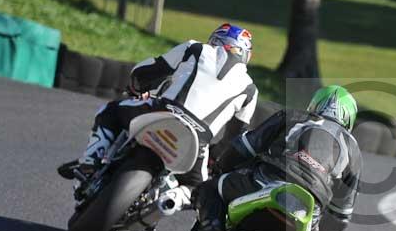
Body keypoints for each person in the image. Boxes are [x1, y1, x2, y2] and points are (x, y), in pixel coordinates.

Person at [177, 85, 362, 231]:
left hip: (265, 182)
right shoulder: (353, 150)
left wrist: (221, 167)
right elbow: (340, 215)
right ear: (349, 120)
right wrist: (317, 227)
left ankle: (212, 228)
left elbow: (245, 146)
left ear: (315, 104)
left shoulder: (294, 116)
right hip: (309, 207)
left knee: (210, 188)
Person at [59, 23, 258, 188]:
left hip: (162, 112)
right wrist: (215, 159)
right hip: (198, 141)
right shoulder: (250, 89)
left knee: (110, 111)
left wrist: (135, 86)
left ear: (215, 40)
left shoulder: (195, 48)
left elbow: (148, 70)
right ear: (246, 55)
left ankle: (89, 162)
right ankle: (175, 200)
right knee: (199, 190)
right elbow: (235, 137)